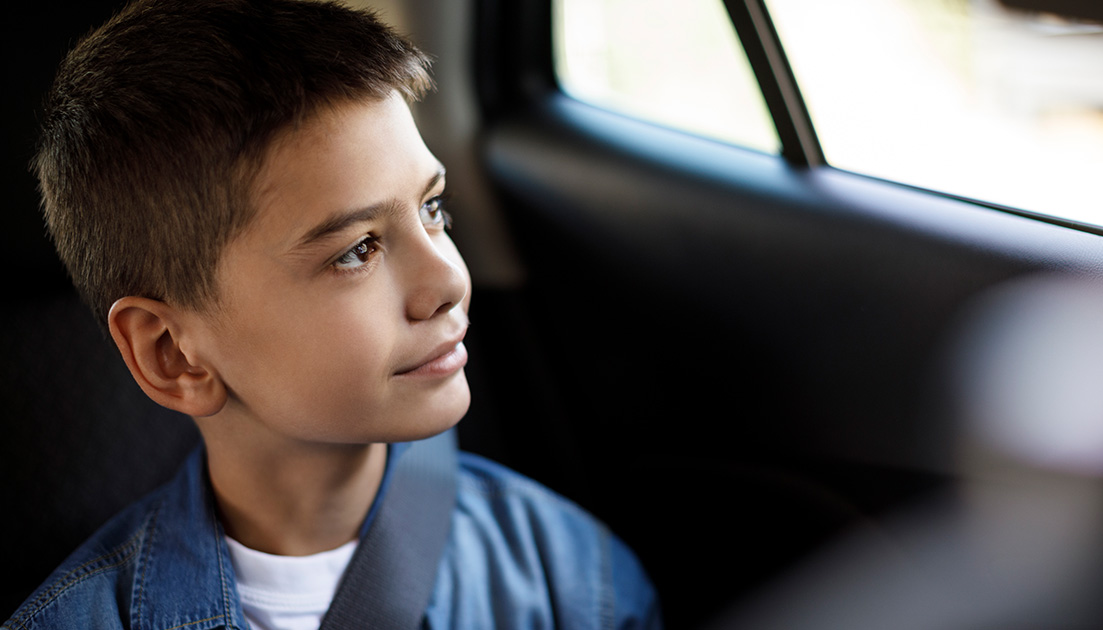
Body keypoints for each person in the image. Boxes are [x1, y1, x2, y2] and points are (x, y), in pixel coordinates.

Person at [2, 0, 661, 628]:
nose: (448, 279)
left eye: (433, 209)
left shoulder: (572, 578)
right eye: (357, 250)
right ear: (172, 354)